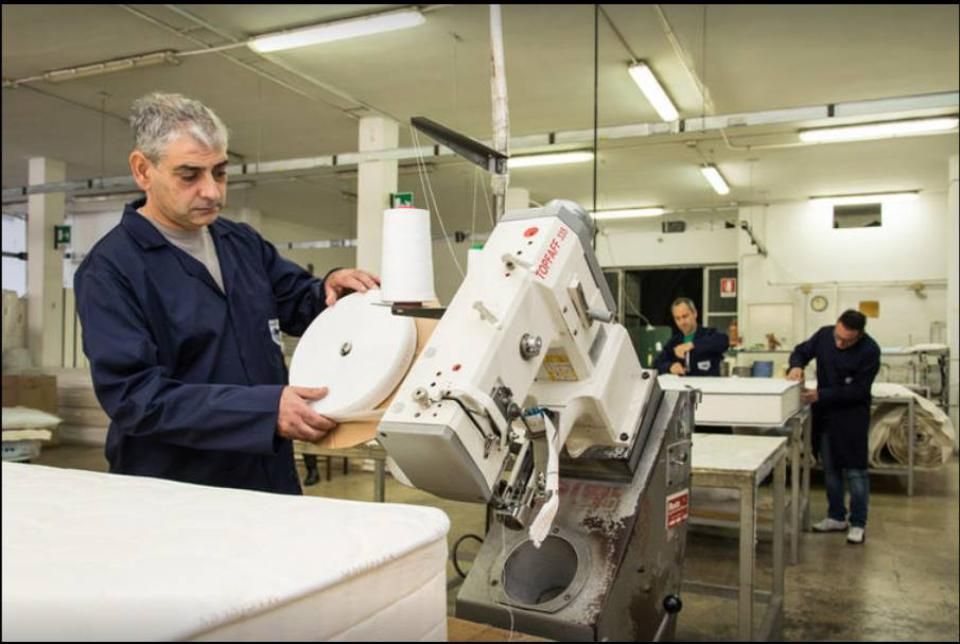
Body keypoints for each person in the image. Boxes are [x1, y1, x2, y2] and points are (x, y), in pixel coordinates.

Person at [74, 92, 379, 495]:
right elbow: (135, 398)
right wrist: (263, 410)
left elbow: (296, 298)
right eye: (190, 175)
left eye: (219, 172)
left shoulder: (239, 242)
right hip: (178, 490)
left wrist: (330, 287)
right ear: (142, 170)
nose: (212, 192)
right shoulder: (111, 270)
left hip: (268, 476)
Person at [787, 309, 880, 545]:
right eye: (837, 336)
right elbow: (801, 351)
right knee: (831, 469)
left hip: (852, 417)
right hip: (826, 416)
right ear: (836, 325)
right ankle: (836, 516)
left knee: (856, 472)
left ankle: (858, 522)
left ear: (859, 335)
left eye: (846, 340)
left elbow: (859, 390)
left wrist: (821, 395)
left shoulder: (870, 350)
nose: (839, 343)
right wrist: (796, 366)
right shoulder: (824, 335)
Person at [655, 297, 730, 376]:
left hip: (708, 386)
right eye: (677, 318)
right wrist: (670, 367)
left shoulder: (708, 334)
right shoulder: (674, 342)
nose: (682, 322)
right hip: (683, 387)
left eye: (685, 316)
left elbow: (724, 341)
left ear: (695, 313)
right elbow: (656, 364)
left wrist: (693, 345)